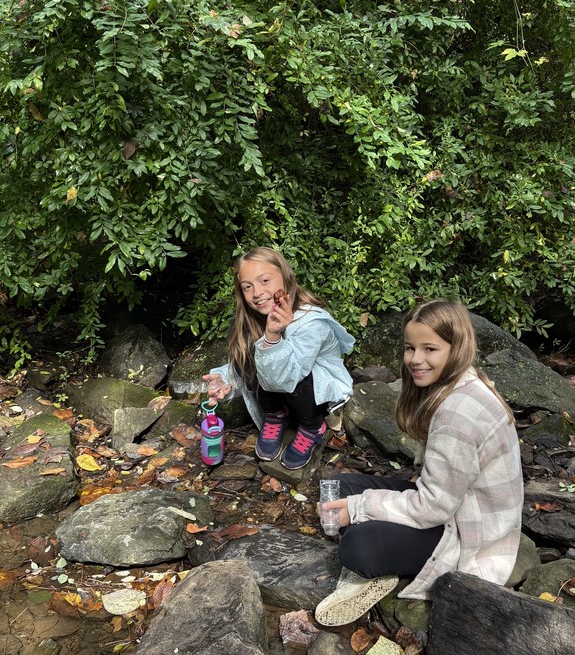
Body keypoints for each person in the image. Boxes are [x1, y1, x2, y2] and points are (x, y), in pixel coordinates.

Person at [315, 299, 523, 627]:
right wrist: (359, 503)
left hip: (470, 533)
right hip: (453, 505)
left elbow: (433, 509)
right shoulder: (459, 383)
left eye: (430, 349)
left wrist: (358, 508)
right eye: (410, 348)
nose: (415, 359)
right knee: (338, 488)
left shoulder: (457, 415)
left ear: (456, 349)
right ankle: (378, 537)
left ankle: (385, 566)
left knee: (357, 547)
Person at [203, 248, 355, 470]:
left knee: (274, 356)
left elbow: (287, 377)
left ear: (287, 278)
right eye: (248, 286)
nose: (257, 293)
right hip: (278, 389)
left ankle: (313, 427)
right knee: (248, 340)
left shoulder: (312, 323)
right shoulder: (251, 321)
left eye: (265, 280)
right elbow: (246, 364)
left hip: (312, 393)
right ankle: (275, 415)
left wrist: (272, 337)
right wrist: (224, 379)